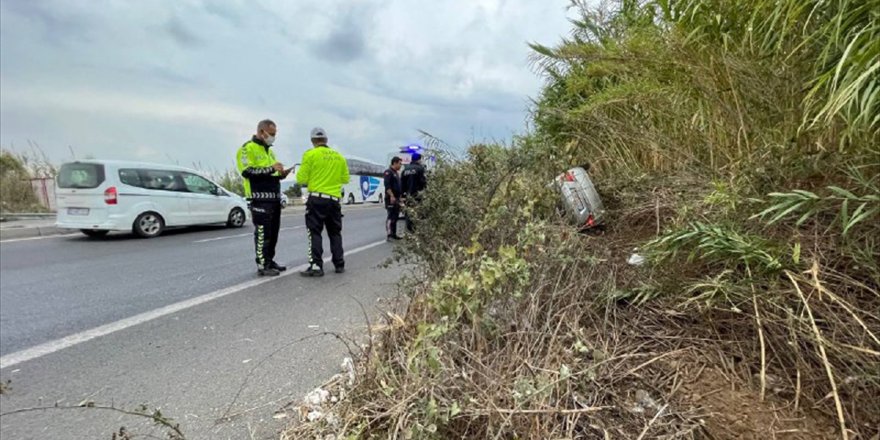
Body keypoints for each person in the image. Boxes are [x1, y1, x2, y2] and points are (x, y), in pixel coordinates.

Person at [236, 119, 290, 276]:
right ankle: (262, 264)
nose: (273, 137)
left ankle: (270, 260)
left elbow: (270, 173)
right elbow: (247, 172)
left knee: (273, 233)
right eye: (271, 134)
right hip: (259, 198)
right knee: (262, 233)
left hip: (274, 198)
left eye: (275, 134)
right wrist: (269, 169)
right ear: (261, 132)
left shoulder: (270, 151)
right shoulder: (247, 149)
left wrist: (280, 174)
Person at [296, 127, 350, 277]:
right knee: (335, 233)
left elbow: (301, 179)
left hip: (317, 199)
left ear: (313, 141)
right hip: (334, 200)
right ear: (326, 140)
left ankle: (316, 266)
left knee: (314, 232)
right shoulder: (339, 157)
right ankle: (339, 264)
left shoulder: (310, 154)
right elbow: (345, 178)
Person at [400, 152, 427, 233]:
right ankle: (417, 230)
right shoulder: (420, 168)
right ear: (419, 159)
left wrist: (402, 195)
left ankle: (410, 230)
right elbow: (423, 182)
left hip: (408, 195)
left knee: (409, 212)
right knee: (418, 212)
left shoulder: (405, 170)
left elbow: (402, 184)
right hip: (418, 195)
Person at [383, 157, 404, 241]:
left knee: (395, 217)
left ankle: (394, 234)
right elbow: (387, 186)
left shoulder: (396, 173)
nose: (400, 165)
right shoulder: (388, 172)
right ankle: (389, 235)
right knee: (390, 217)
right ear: (394, 163)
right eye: (399, 163)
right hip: (390, 198)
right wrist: (391, 196)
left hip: (397, 198)